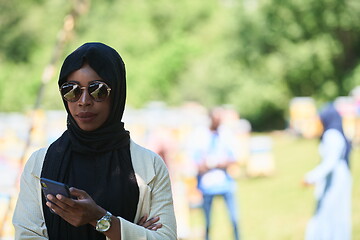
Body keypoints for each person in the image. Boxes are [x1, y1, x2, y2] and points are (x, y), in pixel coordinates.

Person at [12, 42, 177, 240]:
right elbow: (27, 236)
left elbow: (165, 238)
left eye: (97, 90)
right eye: (71, 90)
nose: (83, 101)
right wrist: (130, 231)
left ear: (116, 93)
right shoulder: (40, 164)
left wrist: (101, 219)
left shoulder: (148, 167)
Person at [303, 103, 352, 240]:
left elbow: (330, 162)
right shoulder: (332, 133)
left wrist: (311, 177)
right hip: (335, 177)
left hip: (336, 178)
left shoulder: (332, 135)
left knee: (333, 211)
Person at [192, 107, 240, 240]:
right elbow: (196, 163)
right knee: (208, 223)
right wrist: (209, 164)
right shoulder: (200, 135)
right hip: (207, 186)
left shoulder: (225, 134)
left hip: (226, 183)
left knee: (234, 220)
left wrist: (216, 163)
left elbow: (233, 159)